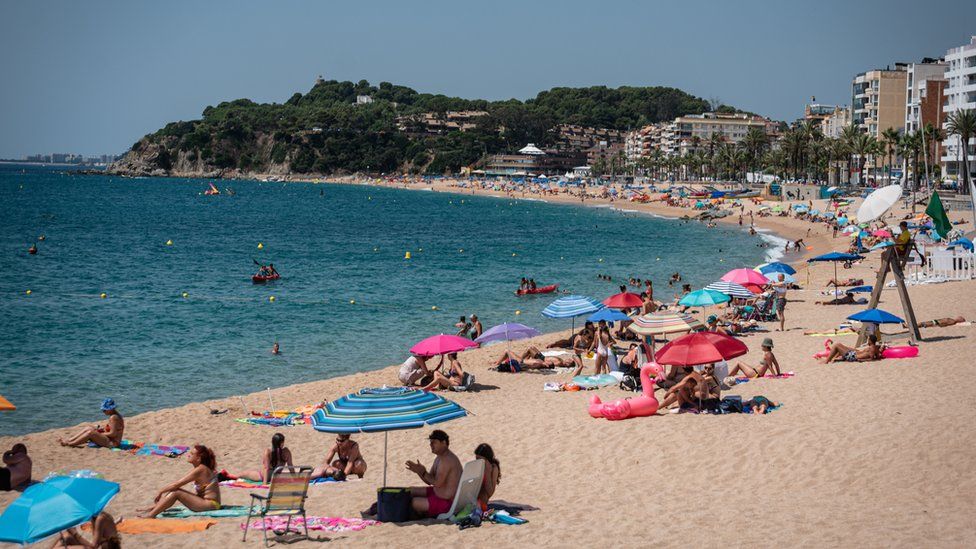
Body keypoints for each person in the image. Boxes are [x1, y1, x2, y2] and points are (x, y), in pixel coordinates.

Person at [137, 445, 220, 518]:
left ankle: (151, 515)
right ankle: (154, 509)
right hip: (206, 502)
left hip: (211, 504)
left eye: (191, 454)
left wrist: (161, 491)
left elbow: (177, 484)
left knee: (176, 492)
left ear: (198, 459)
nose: (188, 455)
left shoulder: (201, 469)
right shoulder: (201, 468)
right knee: (176, 490)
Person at [406, 430, 461, 518]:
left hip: (447, 503)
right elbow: (429, 480)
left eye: (434, 442)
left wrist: (423, 472)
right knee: (409, 491)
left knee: (414, 502)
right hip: (438, 494)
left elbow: (437, 483)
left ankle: (421, 513)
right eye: (430, 442)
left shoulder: (447, 460)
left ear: (443, 443)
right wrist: (419, 472)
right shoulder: (439, 458)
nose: (431, 445)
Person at [58, 398, 124, 448]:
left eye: (104, 410)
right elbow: (113, 430)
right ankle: (69, 440)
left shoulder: (114, 417)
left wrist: (99, 433)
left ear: (111, 409)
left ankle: (70, 444)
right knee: (89, 428)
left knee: (90, 432)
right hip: (111, 440)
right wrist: (100, 430)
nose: (103, 411)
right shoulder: (115, 415)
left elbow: (113, 433)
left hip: (113, 443)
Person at [50, 512, 120, 549]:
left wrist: (75, 533)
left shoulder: (100, 519)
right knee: (66, 536)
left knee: (67, 538)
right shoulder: (95, 517)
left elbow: (93, 547)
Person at [819, 334, 883, 363]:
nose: (867, 341)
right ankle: (833, 359)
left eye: (868, 339)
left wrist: (862, 360)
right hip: (855, 354)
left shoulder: (872, 349)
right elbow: (877, 357)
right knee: (844, 347)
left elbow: (871, 358)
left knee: (836, 345)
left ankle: (827, 361)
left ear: (870, 341)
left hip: (853, 356)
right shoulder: (875, 347)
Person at [474, 443, 501, 513]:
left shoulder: (493, 468)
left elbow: (490, 492)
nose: (477, 461)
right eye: (476, 458)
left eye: (479, 459)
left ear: (486, 459)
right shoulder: (478, 466)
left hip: (482, 503)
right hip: (472, 498)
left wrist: (487, 473)